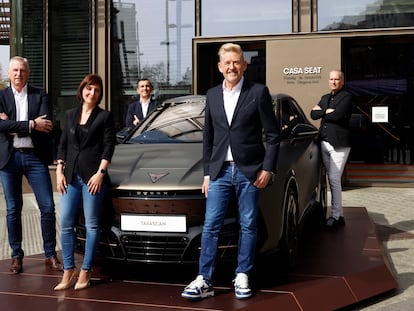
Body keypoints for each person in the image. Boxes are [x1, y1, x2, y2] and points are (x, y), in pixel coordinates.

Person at [181, 43, 280, 300]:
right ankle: (205, 279)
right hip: (220, 172)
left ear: (244, 65)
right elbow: (208, 138)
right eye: (227, 63)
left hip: (250, 171)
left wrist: (268, 168)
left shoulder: (258, 92)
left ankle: (243, 274)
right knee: (211, 225)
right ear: (219, 67)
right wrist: (206, 173)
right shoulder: (212, 95)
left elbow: (272, 135)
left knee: (248, 224)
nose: (231, 67)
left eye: (236, 62)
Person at [0, 56, 62, 274]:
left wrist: (12, 125)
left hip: (35, 157)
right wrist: (31, 124)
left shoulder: (39, 93)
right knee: (12, 209)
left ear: (28, 72)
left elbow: (46, 125)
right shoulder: (1, 96)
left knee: (47, 206)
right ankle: (16, 256)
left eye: (22, 70)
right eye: (15, 70)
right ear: (9, 73)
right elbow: (0, 125)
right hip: (9, 158)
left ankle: (50, 254)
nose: (19, 74)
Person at [54, 74, 116, 291]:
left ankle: (86, 270)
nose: (92, 93)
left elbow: (109, 146)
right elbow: (62, 145)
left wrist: (101, 173)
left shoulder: (104, 116)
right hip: (70, 176)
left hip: (92, 178)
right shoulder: (70, 115)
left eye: (96, 90)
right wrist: (59, 170)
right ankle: (68, 269)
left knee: (91, 224)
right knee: (66, 223)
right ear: (82, 91)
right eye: (89, 88)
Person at [311, 69, 353, 230]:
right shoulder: (325, 97)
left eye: (337, 79)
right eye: (331, 79)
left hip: (339, 145)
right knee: (330, 179)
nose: (334, 81)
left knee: (334, 179)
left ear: (342, 82)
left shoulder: (347, 97)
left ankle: (335, 216)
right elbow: (312, 114)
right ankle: (339, 215)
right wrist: (325, 111)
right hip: (324, 143)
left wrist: (322, 112)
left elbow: (338, 116)